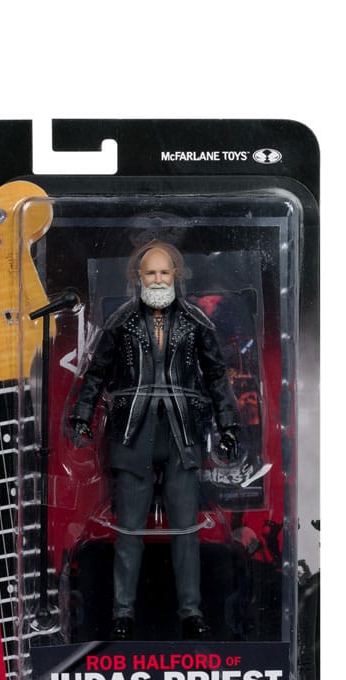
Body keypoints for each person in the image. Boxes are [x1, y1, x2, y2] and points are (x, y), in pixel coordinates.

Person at [68, 240, 240, 641]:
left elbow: (217, 377)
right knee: (128, 531)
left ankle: (191, 612)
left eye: (164, 272)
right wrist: (81, 416)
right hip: (133, 432)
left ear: (175, 275)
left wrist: (228, 425)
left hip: (183, 434)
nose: (158, 279)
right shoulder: (121, 322)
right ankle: (123, 614)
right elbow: (96, 374)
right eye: (151, 273)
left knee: (186, 531)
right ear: (139, 277)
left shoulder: (195, 321)